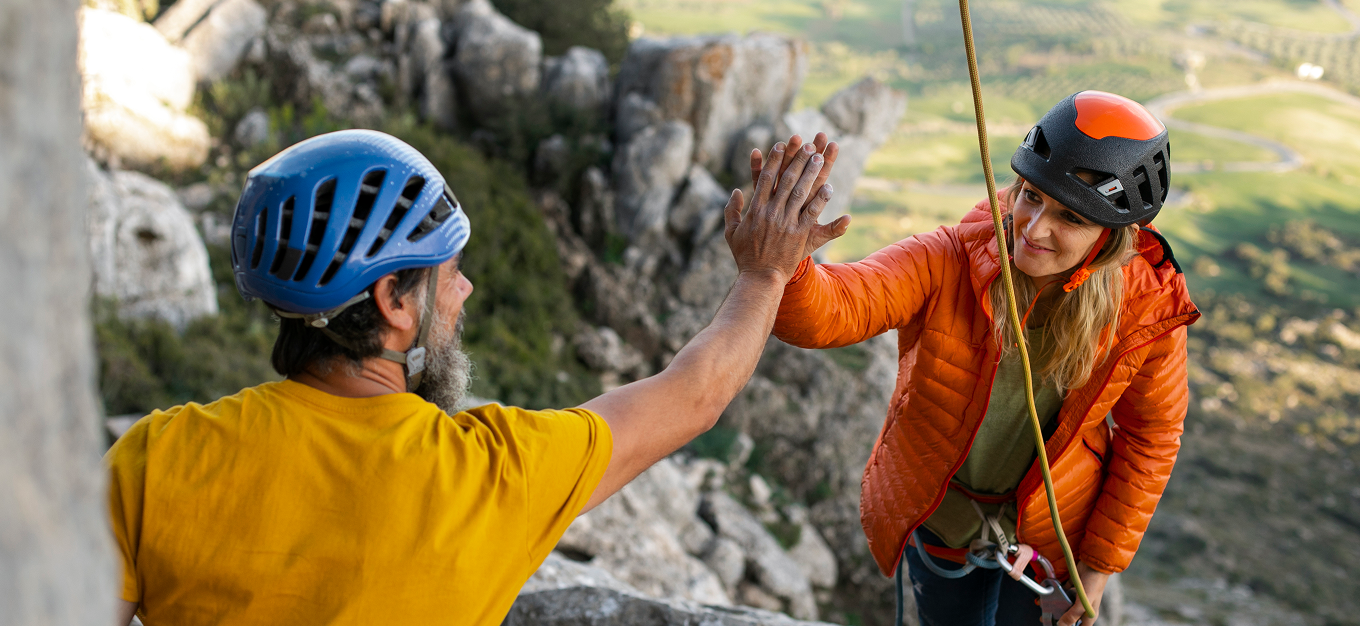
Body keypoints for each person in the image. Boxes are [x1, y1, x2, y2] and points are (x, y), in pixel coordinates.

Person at [104, 129, 846, 625]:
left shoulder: (155, 458)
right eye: (449, 273)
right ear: (396, 302)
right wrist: (764, 272)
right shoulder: (491, 474)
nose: (464, 292)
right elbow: (697, 391)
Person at [768, 91, 1199, 626]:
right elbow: (834, 310)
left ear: (1111, 240)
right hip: (946, 528)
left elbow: (1150, 438)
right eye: (1030, 195)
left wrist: (1098, 567)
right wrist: (783, 267)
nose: (1033, 228)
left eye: (1068, 216)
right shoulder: (953, 256)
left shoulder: (1146, 308)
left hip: (1050, 542)